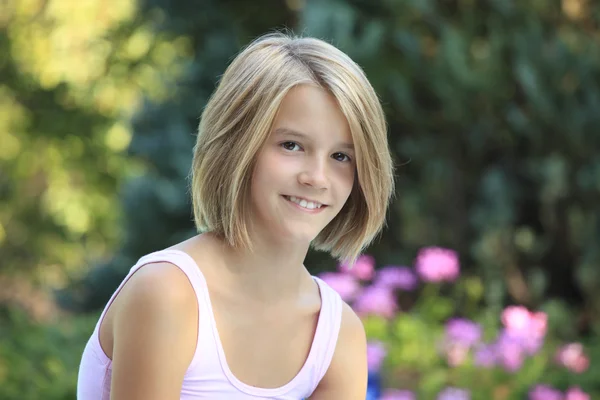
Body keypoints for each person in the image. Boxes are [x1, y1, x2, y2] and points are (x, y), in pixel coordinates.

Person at [77, 31, 395, 399]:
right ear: (238, 145)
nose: (317, 177)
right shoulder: (168, 293)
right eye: (291, 145)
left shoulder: (337, 335)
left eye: (341, 156)